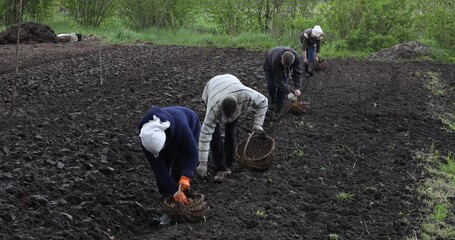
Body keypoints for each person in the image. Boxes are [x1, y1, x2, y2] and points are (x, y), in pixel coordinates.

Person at [195, 74, 268, 182]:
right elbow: (205, 135)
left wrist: (257, 124)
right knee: (214, 135)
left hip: (232, 82)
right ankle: (220, 167)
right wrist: (202, 163)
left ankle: (228, 164)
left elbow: (263, 101)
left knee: (231, 130)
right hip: (212, 87)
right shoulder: (213, 108)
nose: (226, 120)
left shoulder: (247, 95)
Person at [138, 106, 200, 223]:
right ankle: (169, 209)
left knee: (179, 167)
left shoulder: (182, 127)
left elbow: (192, 154)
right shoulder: (146, 137)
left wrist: (186, 176)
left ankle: (183, 204)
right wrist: (173, 191)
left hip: (190, 123)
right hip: (163, 142)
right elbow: (159, 170)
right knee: (163, 176)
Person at [263, 46, 303, 119]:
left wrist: (297, 87)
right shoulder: (276, 60)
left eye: (287, 66)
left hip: (285, 70)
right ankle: (272, 100)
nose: (285, 67)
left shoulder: (296, 58)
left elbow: (297, 73)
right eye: (284, 65)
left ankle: (278, 110)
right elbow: (278, 81)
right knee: (271, 86)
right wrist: (288, 93)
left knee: (281, 90)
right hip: (270, 67)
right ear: (281, 58)